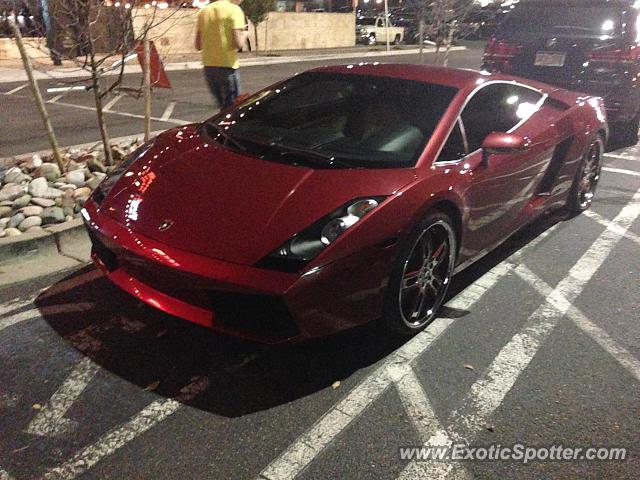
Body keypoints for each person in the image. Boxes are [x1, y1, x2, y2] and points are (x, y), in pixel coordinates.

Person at [195, 0, 248, 109]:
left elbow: (198, 45)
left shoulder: (203, 12)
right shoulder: (234, 10)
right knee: (233, 109)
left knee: (222, 108)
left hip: (209, 68)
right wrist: (245, 34)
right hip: (227, 67)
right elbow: (238, 43)